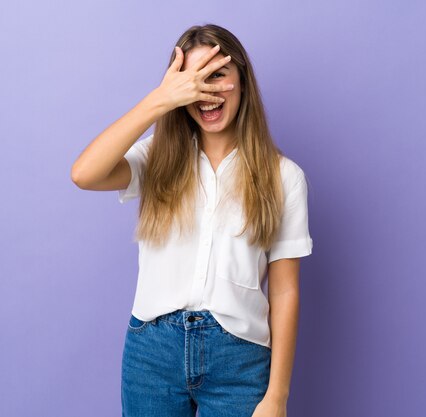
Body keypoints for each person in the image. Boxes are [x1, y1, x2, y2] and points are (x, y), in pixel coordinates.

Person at [71, 23, 313, 417]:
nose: (206, 91)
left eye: (217, 74)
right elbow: (85, 174)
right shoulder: (157, 159)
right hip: (153, 353)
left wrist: (277, 398)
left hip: (240, 358)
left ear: (242, 81)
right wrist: (159, 100)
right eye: (192, 79)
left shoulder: (284, 177)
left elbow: (285, 293)